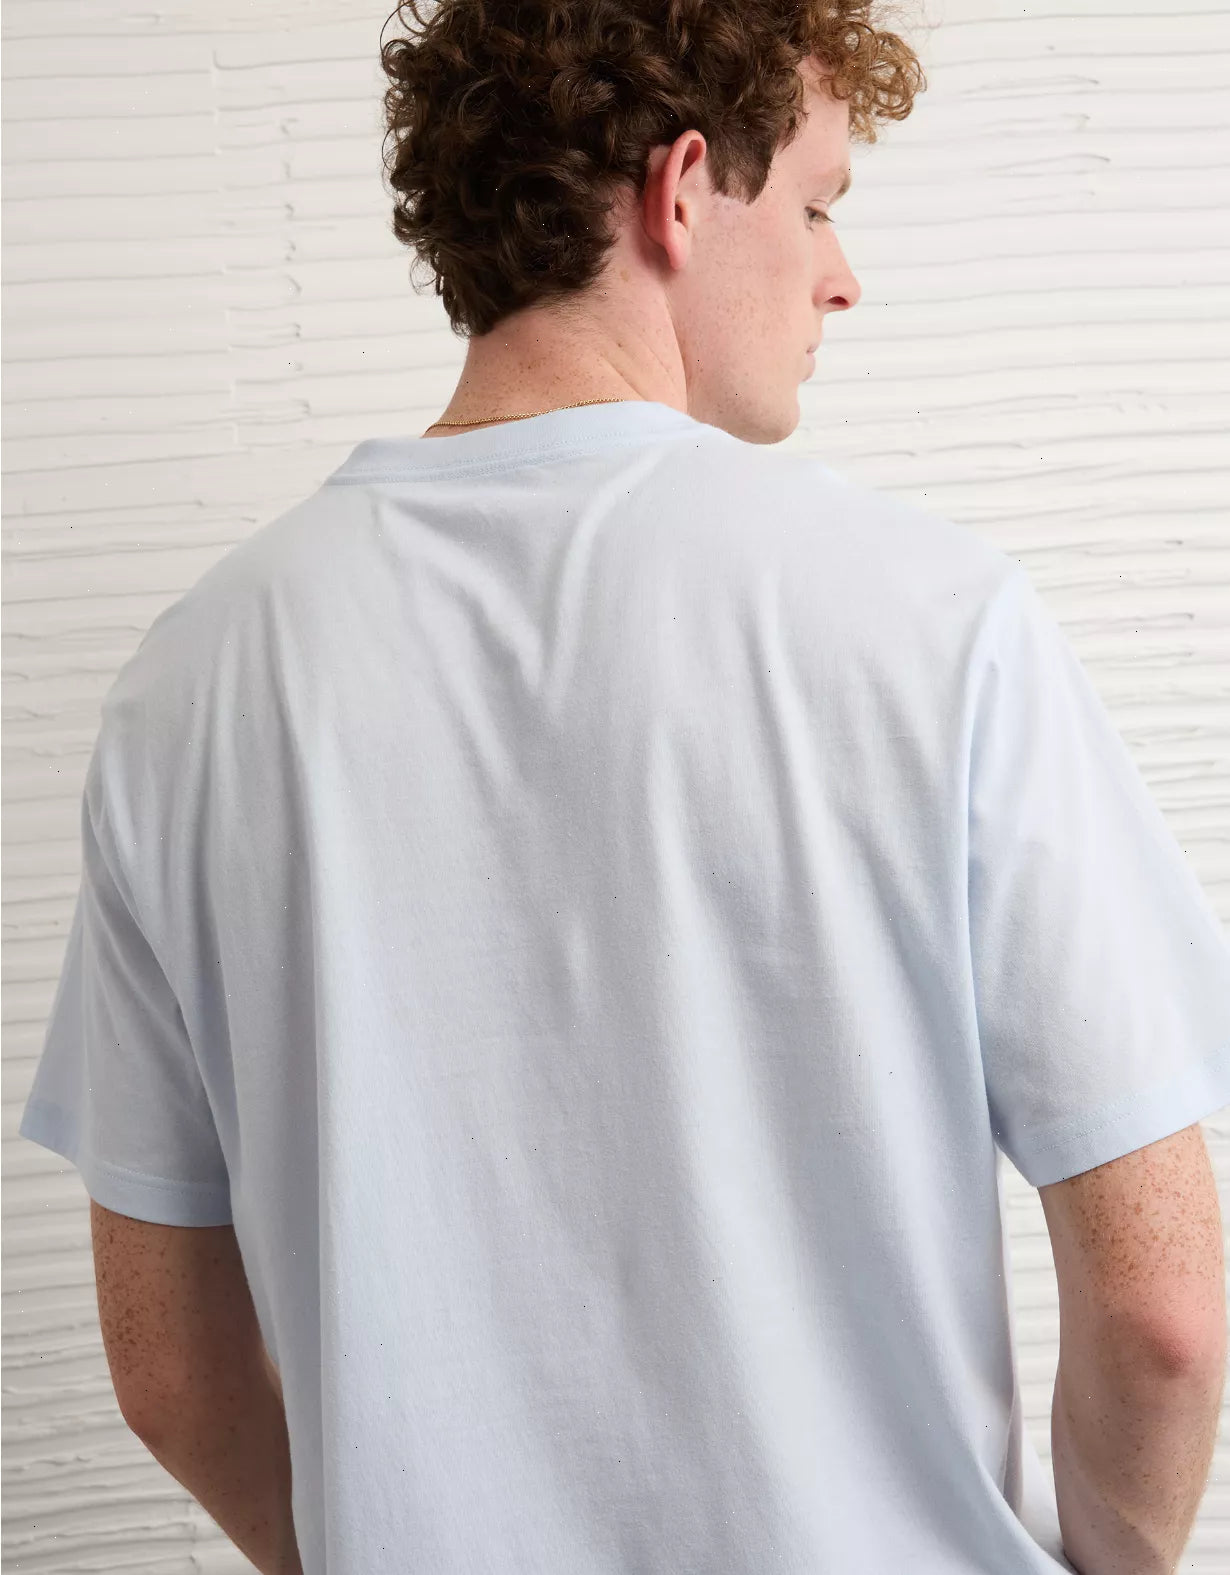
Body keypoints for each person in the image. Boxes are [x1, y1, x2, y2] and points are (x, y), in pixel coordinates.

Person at [19, 3, 1230, 1573]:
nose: (840, 275)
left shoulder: (190, 686)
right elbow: (1160, 1311)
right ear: (677, 191)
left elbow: (170, 1372)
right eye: (816, 204)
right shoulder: (932, 624)